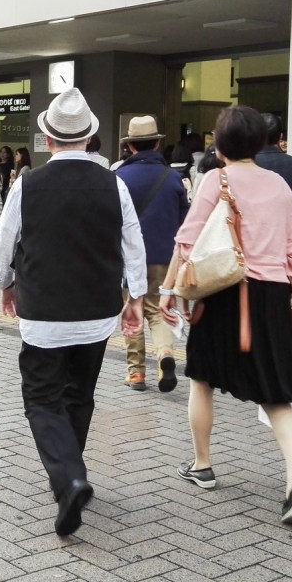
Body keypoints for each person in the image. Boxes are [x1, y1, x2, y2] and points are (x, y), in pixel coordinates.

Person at [0, 88, 146, 537]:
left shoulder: (28, 183)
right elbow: (132, 242)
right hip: (97, 309)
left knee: (42, 399)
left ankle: (68, 478)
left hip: (43, 308)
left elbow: (5, 239)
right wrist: (135, 297)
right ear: (88, 136)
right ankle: (72, 474)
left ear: (47, 136)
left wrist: (5, 284)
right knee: (80, 394)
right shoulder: (112, 182)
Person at [160, 106, 292, 525]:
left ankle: (202, 466)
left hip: (224, 292)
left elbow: (187, 239)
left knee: (202, 377)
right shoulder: (281, 185)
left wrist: (170, 289)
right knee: (275, 391)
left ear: (220, 142)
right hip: (270, 297)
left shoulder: (217, 178)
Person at [118, 116, 188, 393]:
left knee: (132, 309)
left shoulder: (119, 177)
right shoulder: (172, 177)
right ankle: (165, 354)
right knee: (158, 310)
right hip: (164, 257)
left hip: (129, 258)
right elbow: (184, 222)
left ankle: (136, 373)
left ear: (131, 146)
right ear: (158, 144)